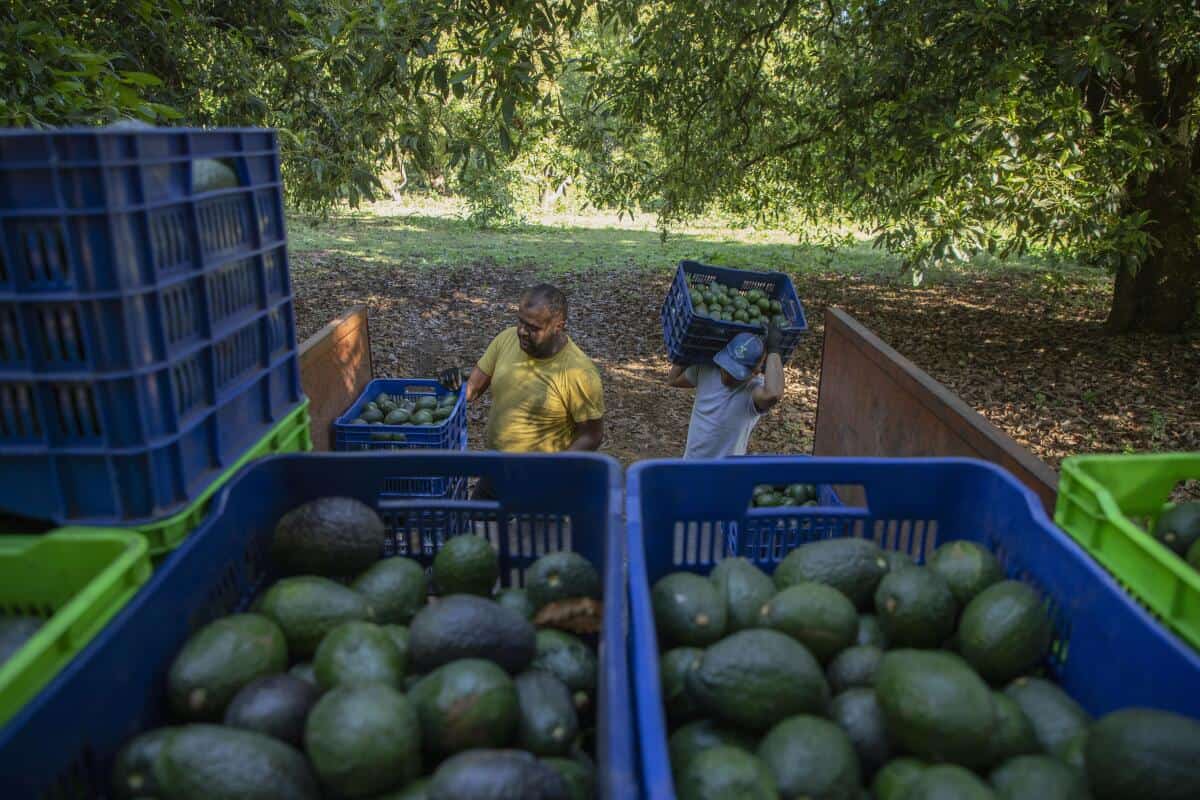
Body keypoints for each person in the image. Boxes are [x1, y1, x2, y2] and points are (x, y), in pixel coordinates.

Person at [441, 284, 605, 494]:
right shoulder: (506, 339)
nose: (521, 331)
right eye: (520, 321)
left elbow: (592, 435)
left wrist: (556, 470)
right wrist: (453, 384)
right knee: (476, 526)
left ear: (558, 326)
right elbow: (472, 389)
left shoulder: (579, 372)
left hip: (540, 481)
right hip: (495, 470)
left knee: (529, 529)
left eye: (533, 328)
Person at [667, 322, 785, 458]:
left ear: (756, 371)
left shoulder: (753, 391)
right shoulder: (706, 369)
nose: (728, 376)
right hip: (692, 465)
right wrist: (686, 347)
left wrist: (774, 351)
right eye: (727, 366)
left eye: (736, 373)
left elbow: (774, 394)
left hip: (726, 473)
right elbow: (673, 379)